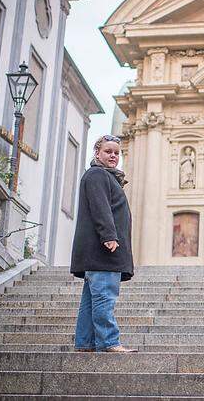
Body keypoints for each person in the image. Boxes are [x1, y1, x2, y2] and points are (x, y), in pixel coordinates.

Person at [70, 134, 136, 353]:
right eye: (108, 151)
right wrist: (109, 236)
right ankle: (109, 342)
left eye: (117, 152)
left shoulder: (103, 176)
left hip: (97, 252)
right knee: (104, 297)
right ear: (97, 153)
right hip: (103, 251)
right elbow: (101, 208)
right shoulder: (98, 175)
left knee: (90, 301)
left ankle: (85, 343)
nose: (113, 156)